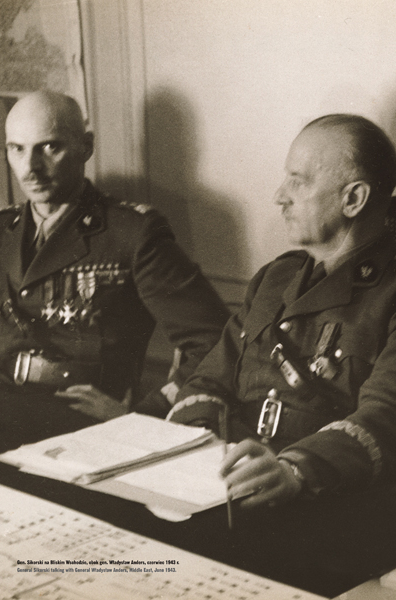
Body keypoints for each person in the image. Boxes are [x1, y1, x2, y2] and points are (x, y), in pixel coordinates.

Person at [166, 114, 396, 596]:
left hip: (333, 511)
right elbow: (208, 380)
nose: (279, 195)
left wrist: (295, 470)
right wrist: (196, 450)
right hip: (233, 493)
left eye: (298, 180)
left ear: (353, 199)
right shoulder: (277, 278)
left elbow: (384, 417)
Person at [0, 90, 229, 454]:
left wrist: (142, 416)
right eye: (17, 149)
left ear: (86, 147)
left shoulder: (131, 233)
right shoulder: (1, 229)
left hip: (79, 425)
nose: (31, 167)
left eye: (49, 147)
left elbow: (216, 339)